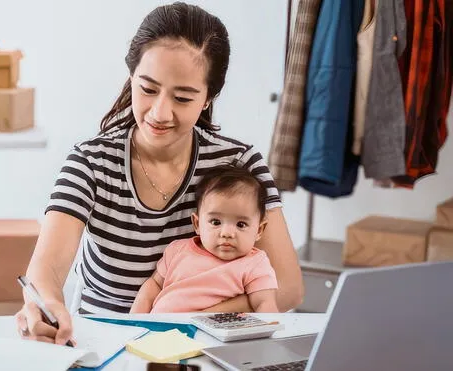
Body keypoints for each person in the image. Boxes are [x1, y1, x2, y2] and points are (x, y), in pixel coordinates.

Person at [16, 2, 303, 346]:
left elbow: (288, 289)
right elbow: (47, 269)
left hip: (210, 343)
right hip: (107, 340)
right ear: (132, 76)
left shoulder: (239, 164)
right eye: (148, 89)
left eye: (183, 97)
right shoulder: (90, 162)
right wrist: (44, 304)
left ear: (209, 97)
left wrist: (185, 317)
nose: (160, 112)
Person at [130, 165, 279, 313]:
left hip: (210, 334)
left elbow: (265, 304)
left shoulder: (254, 264)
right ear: (197, 224)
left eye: (241, 224)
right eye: (216, 222)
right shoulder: (178, 250)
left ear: (259, 230)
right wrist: (134, 321)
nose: (227, 233)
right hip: (158, 329)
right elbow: (154, 284)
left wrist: (271, 329)